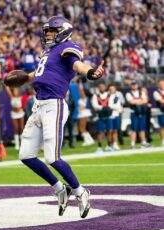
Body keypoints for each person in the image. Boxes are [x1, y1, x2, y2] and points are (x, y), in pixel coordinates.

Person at [18, 16, 104, 218]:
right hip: (38, 105)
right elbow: (40, 73)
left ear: (63, 32)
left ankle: (80, 191)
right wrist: (24, 77)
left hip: (53, 105)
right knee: (26, 155)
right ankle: (59, 188)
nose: (47, 35)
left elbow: (77, 66)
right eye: (46, 31)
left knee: (52, 157)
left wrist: (90, 72)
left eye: (51, 31)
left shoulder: (68, 48)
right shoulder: (48, 51)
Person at [125, 80, 151, 149]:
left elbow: (145, 100)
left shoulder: (141, 92)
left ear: (137, 85)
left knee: (142, 128)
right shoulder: (128, 93)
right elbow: (131, 102)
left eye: (135, 84)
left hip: (142, 112)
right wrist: (140, 101)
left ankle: (143, 142)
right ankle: (132, 143)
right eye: (132, 84)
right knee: (134, 128)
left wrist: (137, 101)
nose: (134, 86)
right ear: (131, 86)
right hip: (134, 112)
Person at [91, 83, 113, 153]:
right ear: (99, 88)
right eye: (100, 87)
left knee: (109, 131)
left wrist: (106, 107)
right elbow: (95, 105)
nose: (102, 88)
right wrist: (103, 107)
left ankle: (109, 146)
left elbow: (111, 104)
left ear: (105, 87)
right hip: (99, 116)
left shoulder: (109, 95)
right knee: (99, 132)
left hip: (108, 115)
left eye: (103, 87)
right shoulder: (95, 96)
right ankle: (99, 146)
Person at [5, 86, 25, 150]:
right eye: (14, 90)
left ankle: (22, 143)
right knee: (16, 128)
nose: (15, 91)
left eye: (16, 90)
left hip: (20, 113)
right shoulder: (11, 97)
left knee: (22, 128)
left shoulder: (21, 97)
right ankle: (17, 144)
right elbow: (7, 88)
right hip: (14, 114)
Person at [77, 81, 94, 146]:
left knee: (81, 129)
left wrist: (80, 83)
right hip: (82, 113)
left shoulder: (84, 98)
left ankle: (87, 141)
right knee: (83, 128)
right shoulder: (82, 98)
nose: (81, 92)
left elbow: (81, 90)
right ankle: (90, 140)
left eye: (82, 92)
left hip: (84, 113)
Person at [108, 84, 123, 150]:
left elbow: (118, 106)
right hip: (109, 116)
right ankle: (109, 144)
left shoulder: (117, 97)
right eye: (110, 89)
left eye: (113, 89)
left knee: (115, 130)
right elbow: (108, 105)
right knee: (109, 130)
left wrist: (112, 107)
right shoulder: (107, 96)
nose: (112, 90)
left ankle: (115, 144)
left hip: (116, 115)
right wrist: (113, 107)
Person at [153, 80, 164, 147]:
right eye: (160, 84)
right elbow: (161, 101)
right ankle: (163, 141)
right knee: (162, 126)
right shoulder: (156, 92)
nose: (162, 85)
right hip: (161, 111)